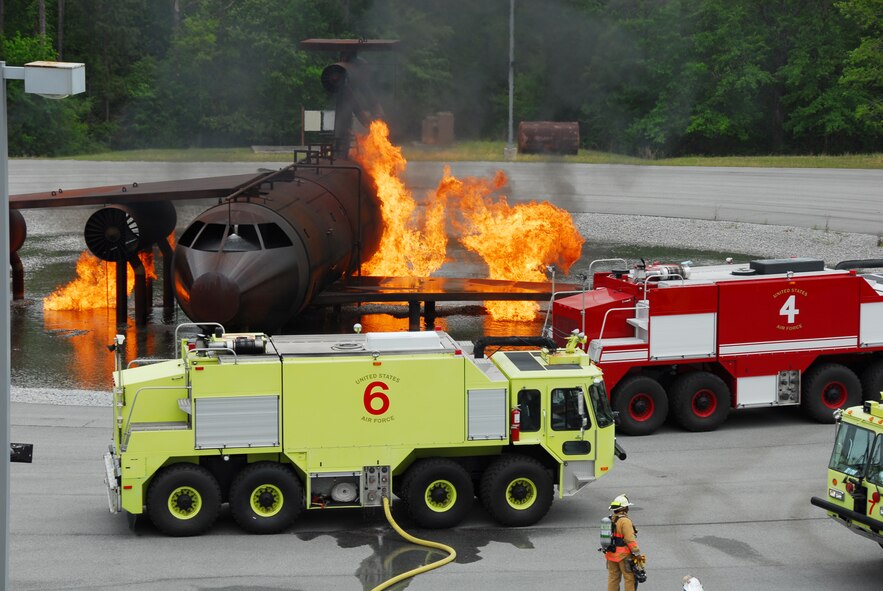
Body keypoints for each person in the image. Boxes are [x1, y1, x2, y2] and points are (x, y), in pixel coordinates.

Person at [604, 494, 645, 591]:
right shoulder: (625, 521)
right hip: (623, 555)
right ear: (623, 508)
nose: (628, 509)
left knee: (613, 578)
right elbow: (629, 540)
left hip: (610, 554)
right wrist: (637, 553)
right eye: (627, 507)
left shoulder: (610, 519)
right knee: (629, 578)